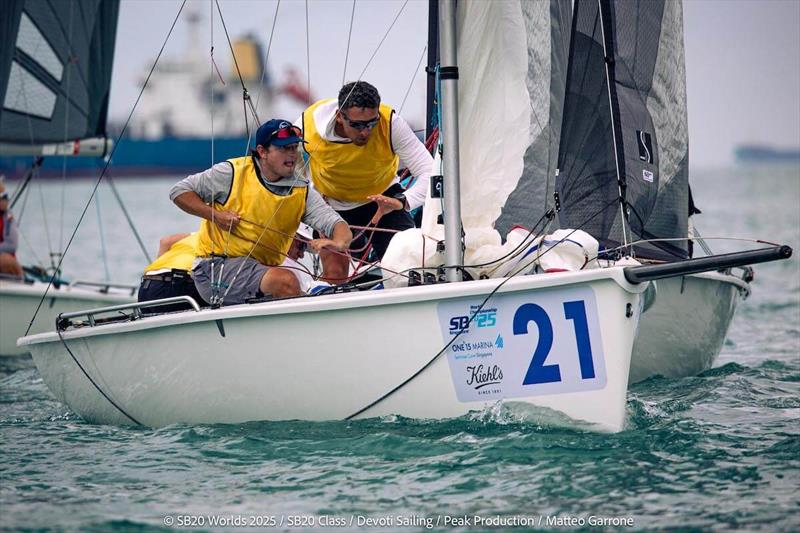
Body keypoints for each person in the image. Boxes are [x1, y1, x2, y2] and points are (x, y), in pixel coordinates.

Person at [170, 119, 352, 305]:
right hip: (216, 269)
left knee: (326, 265)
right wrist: (216, 216)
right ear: (263, 152)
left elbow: (338, 225)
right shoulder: (232, 173)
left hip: (262, 268)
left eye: (294, 147)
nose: (292, 155)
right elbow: (179, 192)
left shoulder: (301, 189)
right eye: (283, 148)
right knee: (286, 281)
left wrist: (338, 243)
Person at [297, 81, 433, 281]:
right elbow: (288, 166)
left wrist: (403, 201)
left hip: (384, 202)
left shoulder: (390, 123)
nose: (365, 132)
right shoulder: (307, 126)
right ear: (340, 117)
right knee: (335, 276)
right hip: (332, 207)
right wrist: (312, 198)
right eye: (357, 125)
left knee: (408, 266)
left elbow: (430, 171)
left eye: (371, 123)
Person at [137, 232, 207, 313]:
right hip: (174, 284)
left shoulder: (198, 234)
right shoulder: (219, 238)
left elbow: (165, 241)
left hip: (147, 284)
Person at [0, 177, 23, 278]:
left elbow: (12, 245)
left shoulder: (8, 217)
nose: (6, 201)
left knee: (4, 260)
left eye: (6, 197)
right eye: (3, 198)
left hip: (5, 262)